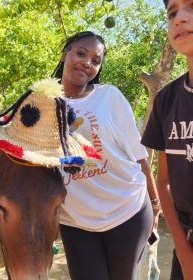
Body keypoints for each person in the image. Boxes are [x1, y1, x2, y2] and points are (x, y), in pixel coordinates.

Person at [52, 31, 160, 280]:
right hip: (76, 220)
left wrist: (155, 204)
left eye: (95, 60)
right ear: (65, 53)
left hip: (128, 211)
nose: (87, 63)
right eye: (81, 53)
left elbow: (137, 153)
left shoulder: (109, 96)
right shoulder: (42, 103)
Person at [141, 0, 193, 279]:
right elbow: (164, 182)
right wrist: (183, 252)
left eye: (191, 7)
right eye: (172, 12)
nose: (179, 18)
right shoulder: (166, 100)